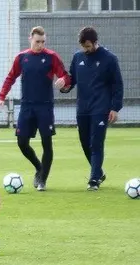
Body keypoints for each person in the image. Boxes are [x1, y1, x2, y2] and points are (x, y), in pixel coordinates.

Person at [0, 26, 70, 191]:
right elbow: (10, 77)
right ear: (30, 38)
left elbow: (65, 75)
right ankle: (39, 167)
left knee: (47, 143)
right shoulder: (22, 58)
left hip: (45, 107)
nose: (40, 45)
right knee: (22, 142)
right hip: (27, 106)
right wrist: (1, 97)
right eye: (37, 41)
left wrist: (64, 80)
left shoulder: (52, 57)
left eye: (43, 42)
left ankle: (42, 180)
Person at [60, 26, 124, 191]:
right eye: (83, 46)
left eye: (88, 46)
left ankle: (94, 180)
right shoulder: (77, 57)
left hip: (101, 108)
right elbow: (72, 80)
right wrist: (63, 86)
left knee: (96, 144)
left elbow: (118, 85)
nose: (85, 49)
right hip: (83, 109)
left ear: (96, 43)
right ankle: (99, 172)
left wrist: (115, 108)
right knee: (84, 143)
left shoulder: (109, 59)